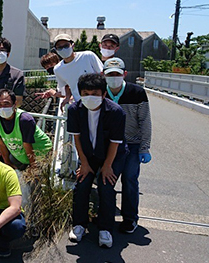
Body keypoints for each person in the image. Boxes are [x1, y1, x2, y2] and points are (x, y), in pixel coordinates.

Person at [66, 73, 127, 248]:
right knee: (82, 184)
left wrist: (107, 166)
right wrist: (84, 164)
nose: (90, 97)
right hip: (88, 154)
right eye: (85, 93)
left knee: (106, 186)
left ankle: (105, 229)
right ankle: (79, 225)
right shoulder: (74, 110)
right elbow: (76, 138)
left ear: (104, 94)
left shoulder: (116, 112)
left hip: (112, 154)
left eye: (95, 93)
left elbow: (115, 143)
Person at [102, 58, 152, 234]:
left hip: (132, 144)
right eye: (110, 74)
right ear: (104, 75)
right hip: (108, 145)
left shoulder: (137, 92)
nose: (113, 77)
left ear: (124, 74)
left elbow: (145, 121)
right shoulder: (100, 93)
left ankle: (130, 219)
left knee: (130, 180)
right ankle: (105, 217)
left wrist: (145, 148)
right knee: (107, 180)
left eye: (117, 74)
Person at [0, 89, 52, 170]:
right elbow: (1, 144)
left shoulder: (25, 120)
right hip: (19, 155)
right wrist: (7, 163)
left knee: (36, 180)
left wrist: (33, 168)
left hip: (40, 153)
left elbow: (27, 145)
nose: (2, 107)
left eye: (6, 104)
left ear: (15, 104)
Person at [49, 34, 103, 106]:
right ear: (56, 50)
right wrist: (67, 97)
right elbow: (66, 85)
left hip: (99, 100)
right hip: (80, 103)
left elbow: (102, 74)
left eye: (66, 46)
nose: (63, 49)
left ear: (72, 45)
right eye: (60, 47)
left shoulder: (88, 56)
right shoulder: (57, 69)